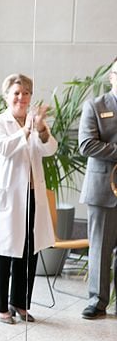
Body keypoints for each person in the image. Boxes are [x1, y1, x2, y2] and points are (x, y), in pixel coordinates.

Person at [0, 74, 57, 324]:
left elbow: (50, 148)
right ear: (7, 96)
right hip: (8, 195)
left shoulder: (36, 123)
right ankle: (1, 306)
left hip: (32, 194)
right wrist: (26, 129)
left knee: (29, 250)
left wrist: (41, 129)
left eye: (27, 93)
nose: (22, 98)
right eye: (17, 93)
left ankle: (20, 303)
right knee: (4, 250)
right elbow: (4, 149)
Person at [78, 59, 117, 320]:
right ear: (112, 76)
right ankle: (97, 301)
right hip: (103, 189)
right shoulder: (95, 105)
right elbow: (86, 145)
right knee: (100, 248)